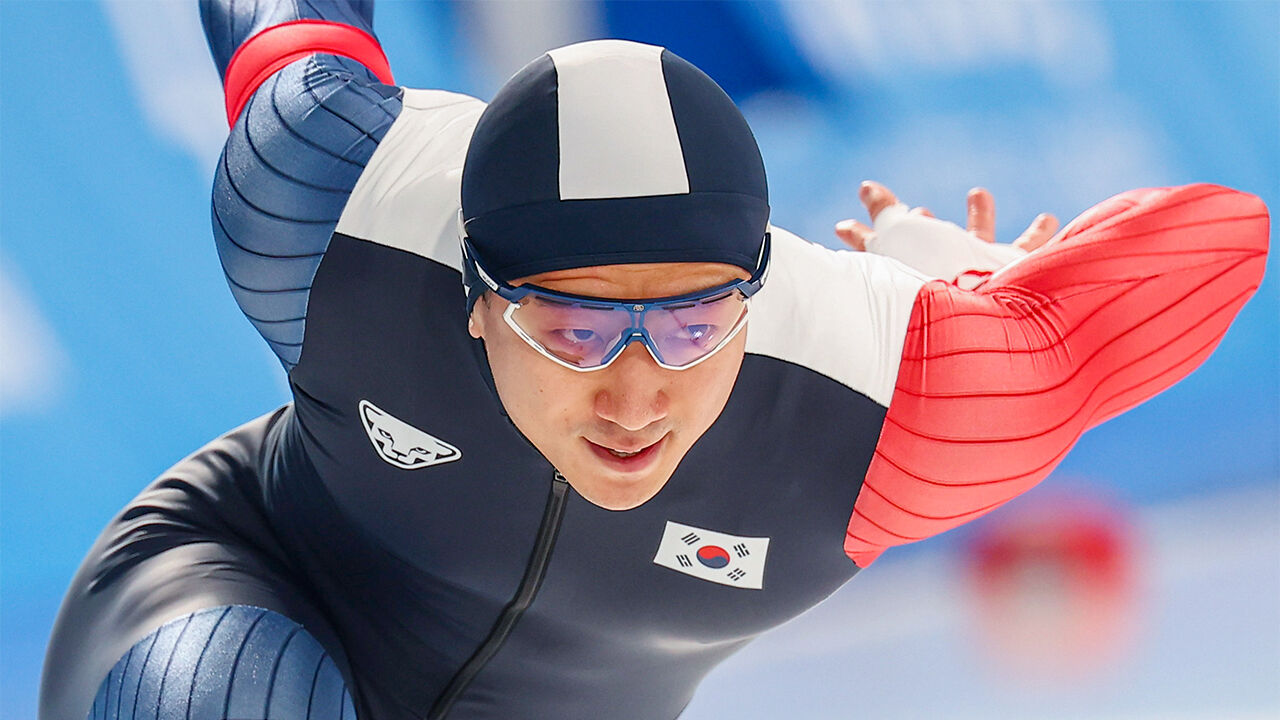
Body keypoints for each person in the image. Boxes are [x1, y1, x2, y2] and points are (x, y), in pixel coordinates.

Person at [40, 1, 1270, 719]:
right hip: (240, 596)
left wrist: (976, 294)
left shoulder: (899, 395)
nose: (634, 394)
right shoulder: (333, 208)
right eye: (571, 330)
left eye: (691, 327)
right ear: (471, 298)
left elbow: (1225, 236)